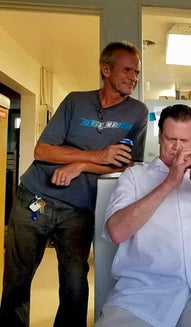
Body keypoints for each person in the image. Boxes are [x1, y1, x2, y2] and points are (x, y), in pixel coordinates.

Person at [0, 41, 148, 327]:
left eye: (137, 72)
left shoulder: (137, 113)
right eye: (127, 70)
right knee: (17, 278)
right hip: (35, 195)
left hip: (79, 209)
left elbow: (129, 163)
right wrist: (98, 156)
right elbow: (42, 151)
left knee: (75, 285)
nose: (134, 77)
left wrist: (80, 165)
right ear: (106, 69)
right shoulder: (75, 101)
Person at [95, 104, 191, 327]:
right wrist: (169, 183)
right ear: (159, 137)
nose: (177, 147)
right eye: (171, 139)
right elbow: (116, 231)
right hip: (141, 295)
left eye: (185, 141)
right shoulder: (135, 177)